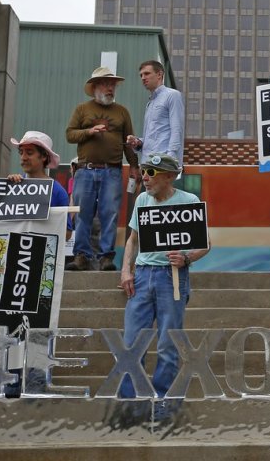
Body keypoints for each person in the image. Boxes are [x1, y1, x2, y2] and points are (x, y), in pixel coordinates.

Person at [119, 154, 209, 398]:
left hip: (172, 277)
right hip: (142, 275)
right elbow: (132, 238)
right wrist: (126, 270)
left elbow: (205, 243)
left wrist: (187, 258)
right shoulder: (141, 200)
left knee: (168, 343)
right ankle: (129, 401)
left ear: (170, 176)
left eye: (152, 172)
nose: (145, 178)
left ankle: (162, 400)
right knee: (131, 342)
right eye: (145, 172)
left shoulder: (188, 200)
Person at [65, 66, 138, 271]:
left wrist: (134, 166)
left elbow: (128, 142)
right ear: (95, 86)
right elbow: (69, 135)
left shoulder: (122, 111)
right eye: (106, 84)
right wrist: (89, 131)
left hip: (112, 170)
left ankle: (106, 257)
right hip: (85, 170)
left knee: (110, 214)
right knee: (83, 214)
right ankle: (81, 256)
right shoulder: (82, 109)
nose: (110, 88)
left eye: (113, 85)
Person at [6, 131, 73, 238]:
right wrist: (6, 189)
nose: (23, 157)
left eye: (29, 152)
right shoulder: (13, 186)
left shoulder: (57, 191)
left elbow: (67, 234)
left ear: (44, 156)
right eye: (21, 152)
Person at [129, 60, 185, 166]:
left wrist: (170, 159)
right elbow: (154, 136)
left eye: (147, 73)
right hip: (148, 163)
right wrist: (138, 142)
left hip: (163, 163)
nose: (143, 78)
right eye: (141, 75)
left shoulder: (173, 95)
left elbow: (177, 129)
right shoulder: (150, 103)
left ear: (159, 74)